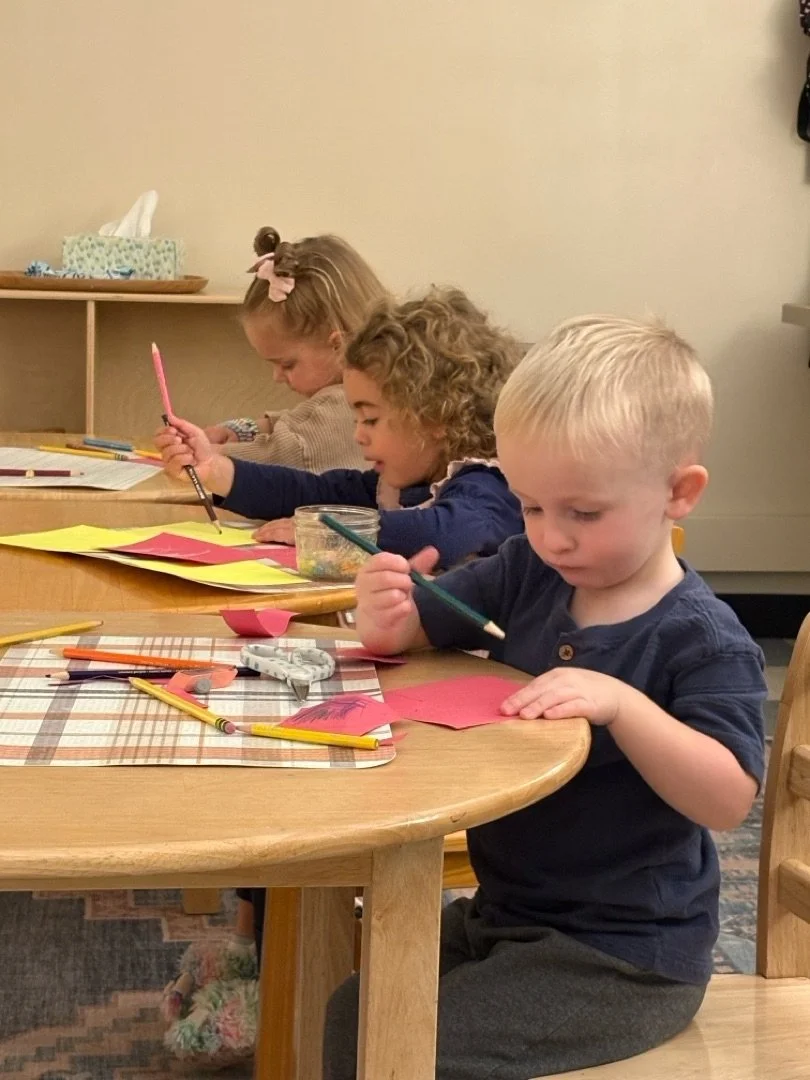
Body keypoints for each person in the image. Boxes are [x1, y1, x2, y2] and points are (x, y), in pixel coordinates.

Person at [326, 315, 767, 1079]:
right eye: (531, 506)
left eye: (582, 513)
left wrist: (625, 706)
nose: (551, 536)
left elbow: (728, 800)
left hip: (624, 957)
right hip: (507, 915)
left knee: (398, 1044)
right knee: (351, 1013)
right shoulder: (530, 569)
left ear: (679, 493)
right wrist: (387, 614)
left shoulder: (703, 639)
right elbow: (420, 628)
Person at [156, 287, 525, 569]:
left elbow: (446, 531)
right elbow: (313, 492)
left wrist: (332, 532)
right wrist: (215, 470)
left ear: (435, 418)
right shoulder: (394, 486)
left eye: (371, 419)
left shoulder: (489, 486)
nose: (358, 434)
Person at [206, 226, 388, 486]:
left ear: (339, 345)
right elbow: (303, 422)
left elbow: (285, 453)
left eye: (287, 364)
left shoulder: (345, 402)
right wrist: (245, 430)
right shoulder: (363, 392)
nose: (277, 376)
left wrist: (206, 455)